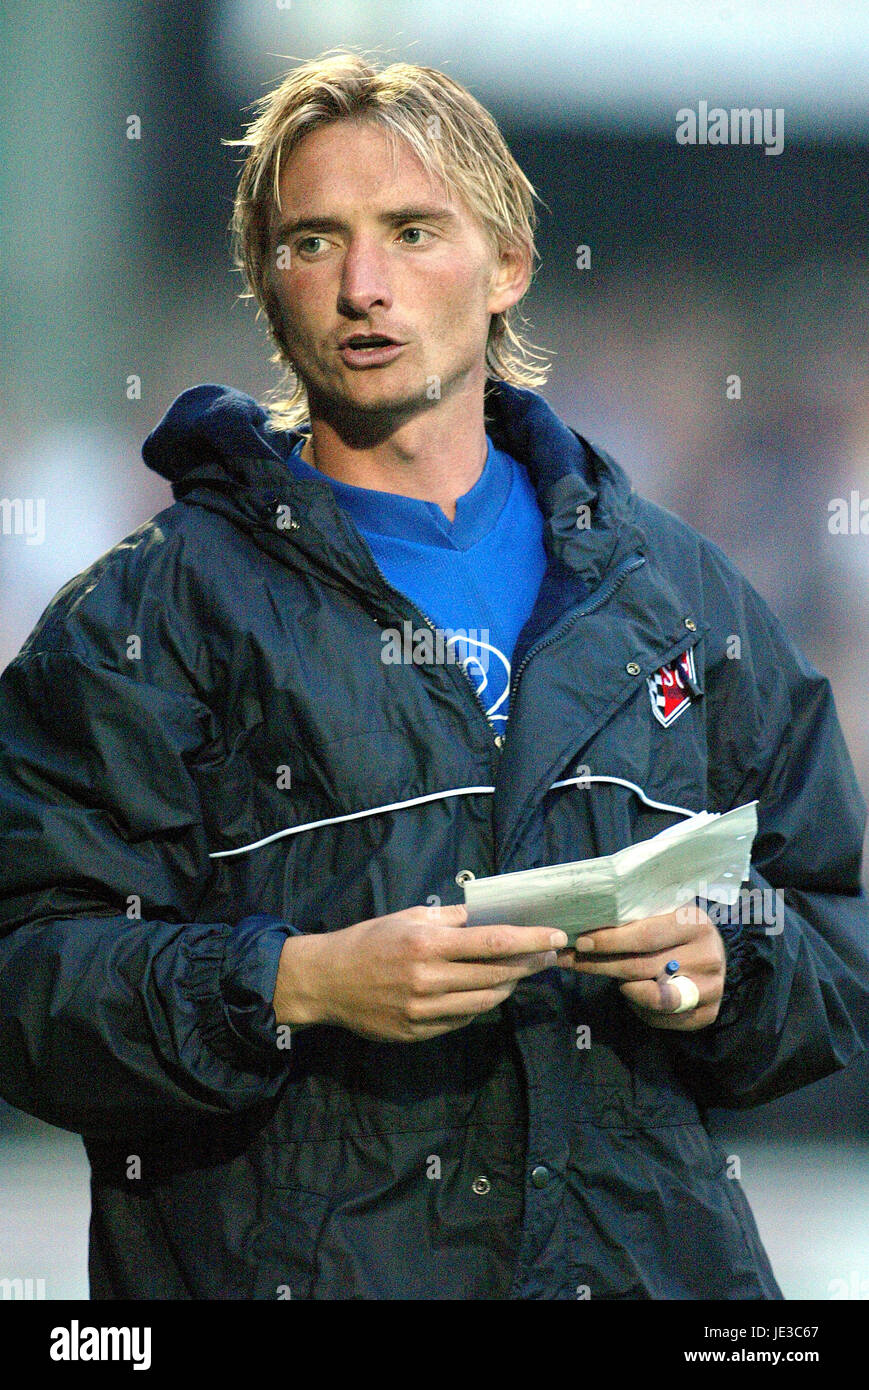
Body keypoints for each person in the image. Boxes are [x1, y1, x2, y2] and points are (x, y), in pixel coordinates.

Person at [1, 50, 868, 1302]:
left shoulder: (674, 593)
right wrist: (296, 983)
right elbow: (28, 979)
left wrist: (732, 966)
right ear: (266, 280)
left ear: (507, 263)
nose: (365, 287)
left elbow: (835, 931)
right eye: (314, 242)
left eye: (413, 232)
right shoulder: (142, 617)